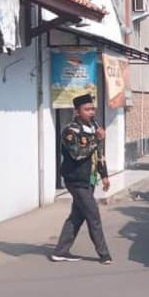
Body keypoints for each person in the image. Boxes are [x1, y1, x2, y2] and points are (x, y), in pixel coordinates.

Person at [50, 94, 113, 265]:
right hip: (76, 179)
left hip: (89, 179)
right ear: (77, 112)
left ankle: (60, 251)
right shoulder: (70, 131)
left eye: (92, 109)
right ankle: (104, 254)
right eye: (87, 109)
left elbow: (99, 154)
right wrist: (96, 139)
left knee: (77, 216)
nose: (91, 112)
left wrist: (104, 175)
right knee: (93, 214)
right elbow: (77, 154)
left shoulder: (93, 128)